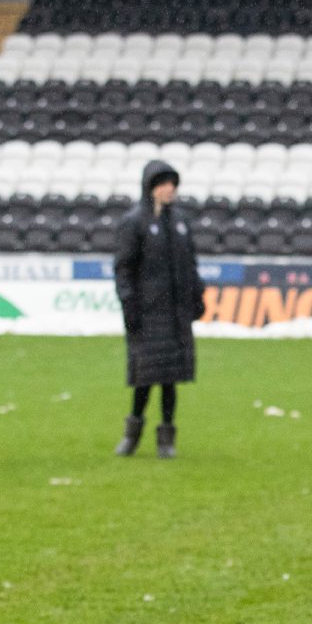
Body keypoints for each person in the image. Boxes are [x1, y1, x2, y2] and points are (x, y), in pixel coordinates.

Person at [112, 160, 204, 459]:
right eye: (163, 184)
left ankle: (167, 437)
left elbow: (191, 264)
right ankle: (132, 433)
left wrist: (197, 296)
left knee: (170, 379)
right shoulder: (134, 222)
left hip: (176, 315)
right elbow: (124, 269)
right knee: (145, 378)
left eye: (172, 184)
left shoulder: (180, 222)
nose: (169, 190)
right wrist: (130, 307)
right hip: (147, 315)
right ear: (150, 187)